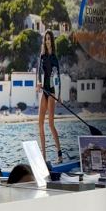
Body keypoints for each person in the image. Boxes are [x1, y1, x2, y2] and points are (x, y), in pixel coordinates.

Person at [38, 29, 63, 161]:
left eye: (49, 39)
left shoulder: (54, 58)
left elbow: (58, 77)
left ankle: (59, 154)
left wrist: (59, 94)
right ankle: (44, 156)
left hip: (52, 91)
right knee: (40, 123)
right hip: (44, 91)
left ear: (52, 41)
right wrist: (38, 82)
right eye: (46, 39)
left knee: (51, 124)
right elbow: (38, 72)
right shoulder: (42, 56)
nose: (47, 41)